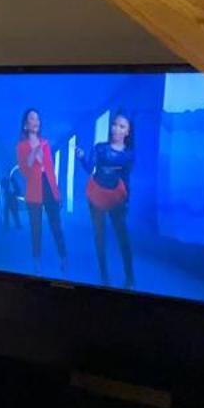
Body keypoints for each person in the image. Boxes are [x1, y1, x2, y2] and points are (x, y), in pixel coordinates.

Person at [79, 111, 135, 288]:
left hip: (116, 197)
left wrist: (126, 202)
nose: (116, 129)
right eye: (115, 124)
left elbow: (125, 179)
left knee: (122, 237)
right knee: (99, 236)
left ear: (128, 131)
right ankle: (104, 276)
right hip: (96, 194)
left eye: (122, 126)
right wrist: (82, 157)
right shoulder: (100, 148)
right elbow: (90, 169)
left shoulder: (129, 155)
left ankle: (130, 277)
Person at [16, 108, 67, 272]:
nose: (36, 121)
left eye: (37, 118)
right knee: (36, 228)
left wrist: (57, 193)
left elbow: (50, 170)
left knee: (56, 225)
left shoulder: (45, 143)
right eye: (32, 118)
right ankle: (36, 260)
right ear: (26, 125)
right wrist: (33, 153)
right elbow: (25, 171)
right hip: (33, 190)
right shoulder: (21, 146)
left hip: (48, 186)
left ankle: (63, 257)